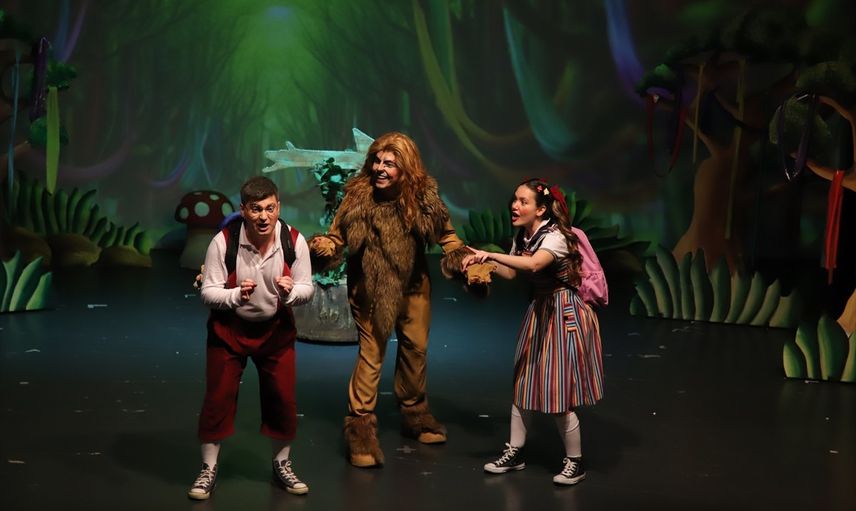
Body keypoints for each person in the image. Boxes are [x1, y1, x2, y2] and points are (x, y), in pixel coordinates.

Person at [308, 131, 486, 468]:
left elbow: (448, 236)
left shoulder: (424, 198)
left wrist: (467, 264)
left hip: (413, 286)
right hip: (369, 289)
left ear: (406, 168)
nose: (379, 168)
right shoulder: (358, 196)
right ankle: (360, 428)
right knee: (371, 354)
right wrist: (325, 247)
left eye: (389, 163)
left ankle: (415, 413)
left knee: (415, 349)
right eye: (377, 161)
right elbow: (336, 237)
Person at [462, 178, 607, 486]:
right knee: (524, 384)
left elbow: (534, 265)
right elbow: (512, 271)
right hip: (541, 310)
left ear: (541, 209)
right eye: (514, 200)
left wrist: (491, 254)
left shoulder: (555, 237)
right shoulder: (524, 235)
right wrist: (482, 263)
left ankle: (576, 462)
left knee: (558, 392)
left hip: (564, 314)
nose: (515, 206)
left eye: (523, 202)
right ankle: (515, 452)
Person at [187, 176, 314, 499]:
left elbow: (307, 288)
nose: (263, 217)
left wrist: (290, 293)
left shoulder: (293, 241)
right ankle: (208, 468)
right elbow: (208, 292)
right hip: (229, 331)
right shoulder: (223, 242)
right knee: (218, 398)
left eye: (270, 208)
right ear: (243, 210)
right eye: (256, 209)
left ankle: (282, 464)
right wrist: (235, 296)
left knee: (282, 398)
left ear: (278, 207)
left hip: (275, 331)